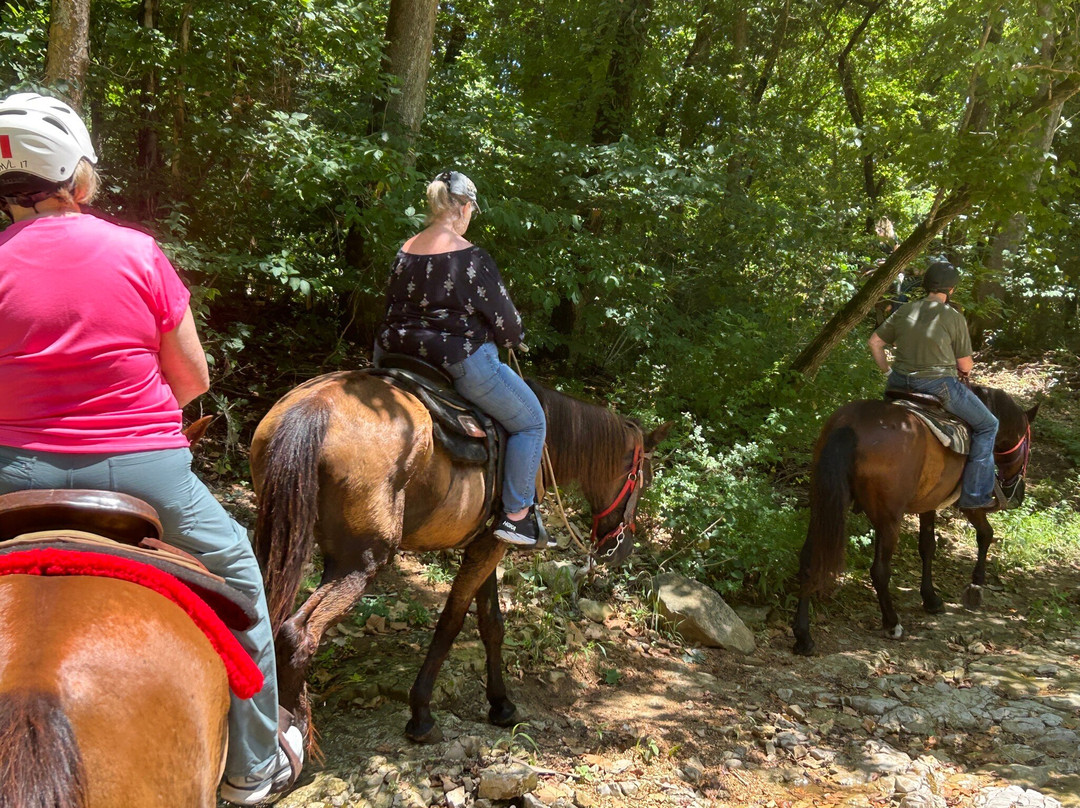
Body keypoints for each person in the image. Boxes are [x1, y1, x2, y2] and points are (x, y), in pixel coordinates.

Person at [0, 92, 301, 805]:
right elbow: (192, 376)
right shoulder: (137, 251)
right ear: (77, 179)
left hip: (9, 472)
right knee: (242, 583)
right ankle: (255, 766)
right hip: (148, 473)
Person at [376, 170, 547, 547]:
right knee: (531, 421)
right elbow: (509, 326)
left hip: (393, 355)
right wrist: (510, 337)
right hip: (456, 359)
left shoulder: (404, 250)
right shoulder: (472, 257)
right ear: (465, 208)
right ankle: (517, 516)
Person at [868, 261, 1000, 510]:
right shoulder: (953, 316)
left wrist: (887, 371)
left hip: (897, 385)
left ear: (926, 286)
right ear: (951, 290)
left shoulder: (905, 310)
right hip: (936, 386)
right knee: (988, 425)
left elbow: (874, 343)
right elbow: (966, 365)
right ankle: (976, 496)